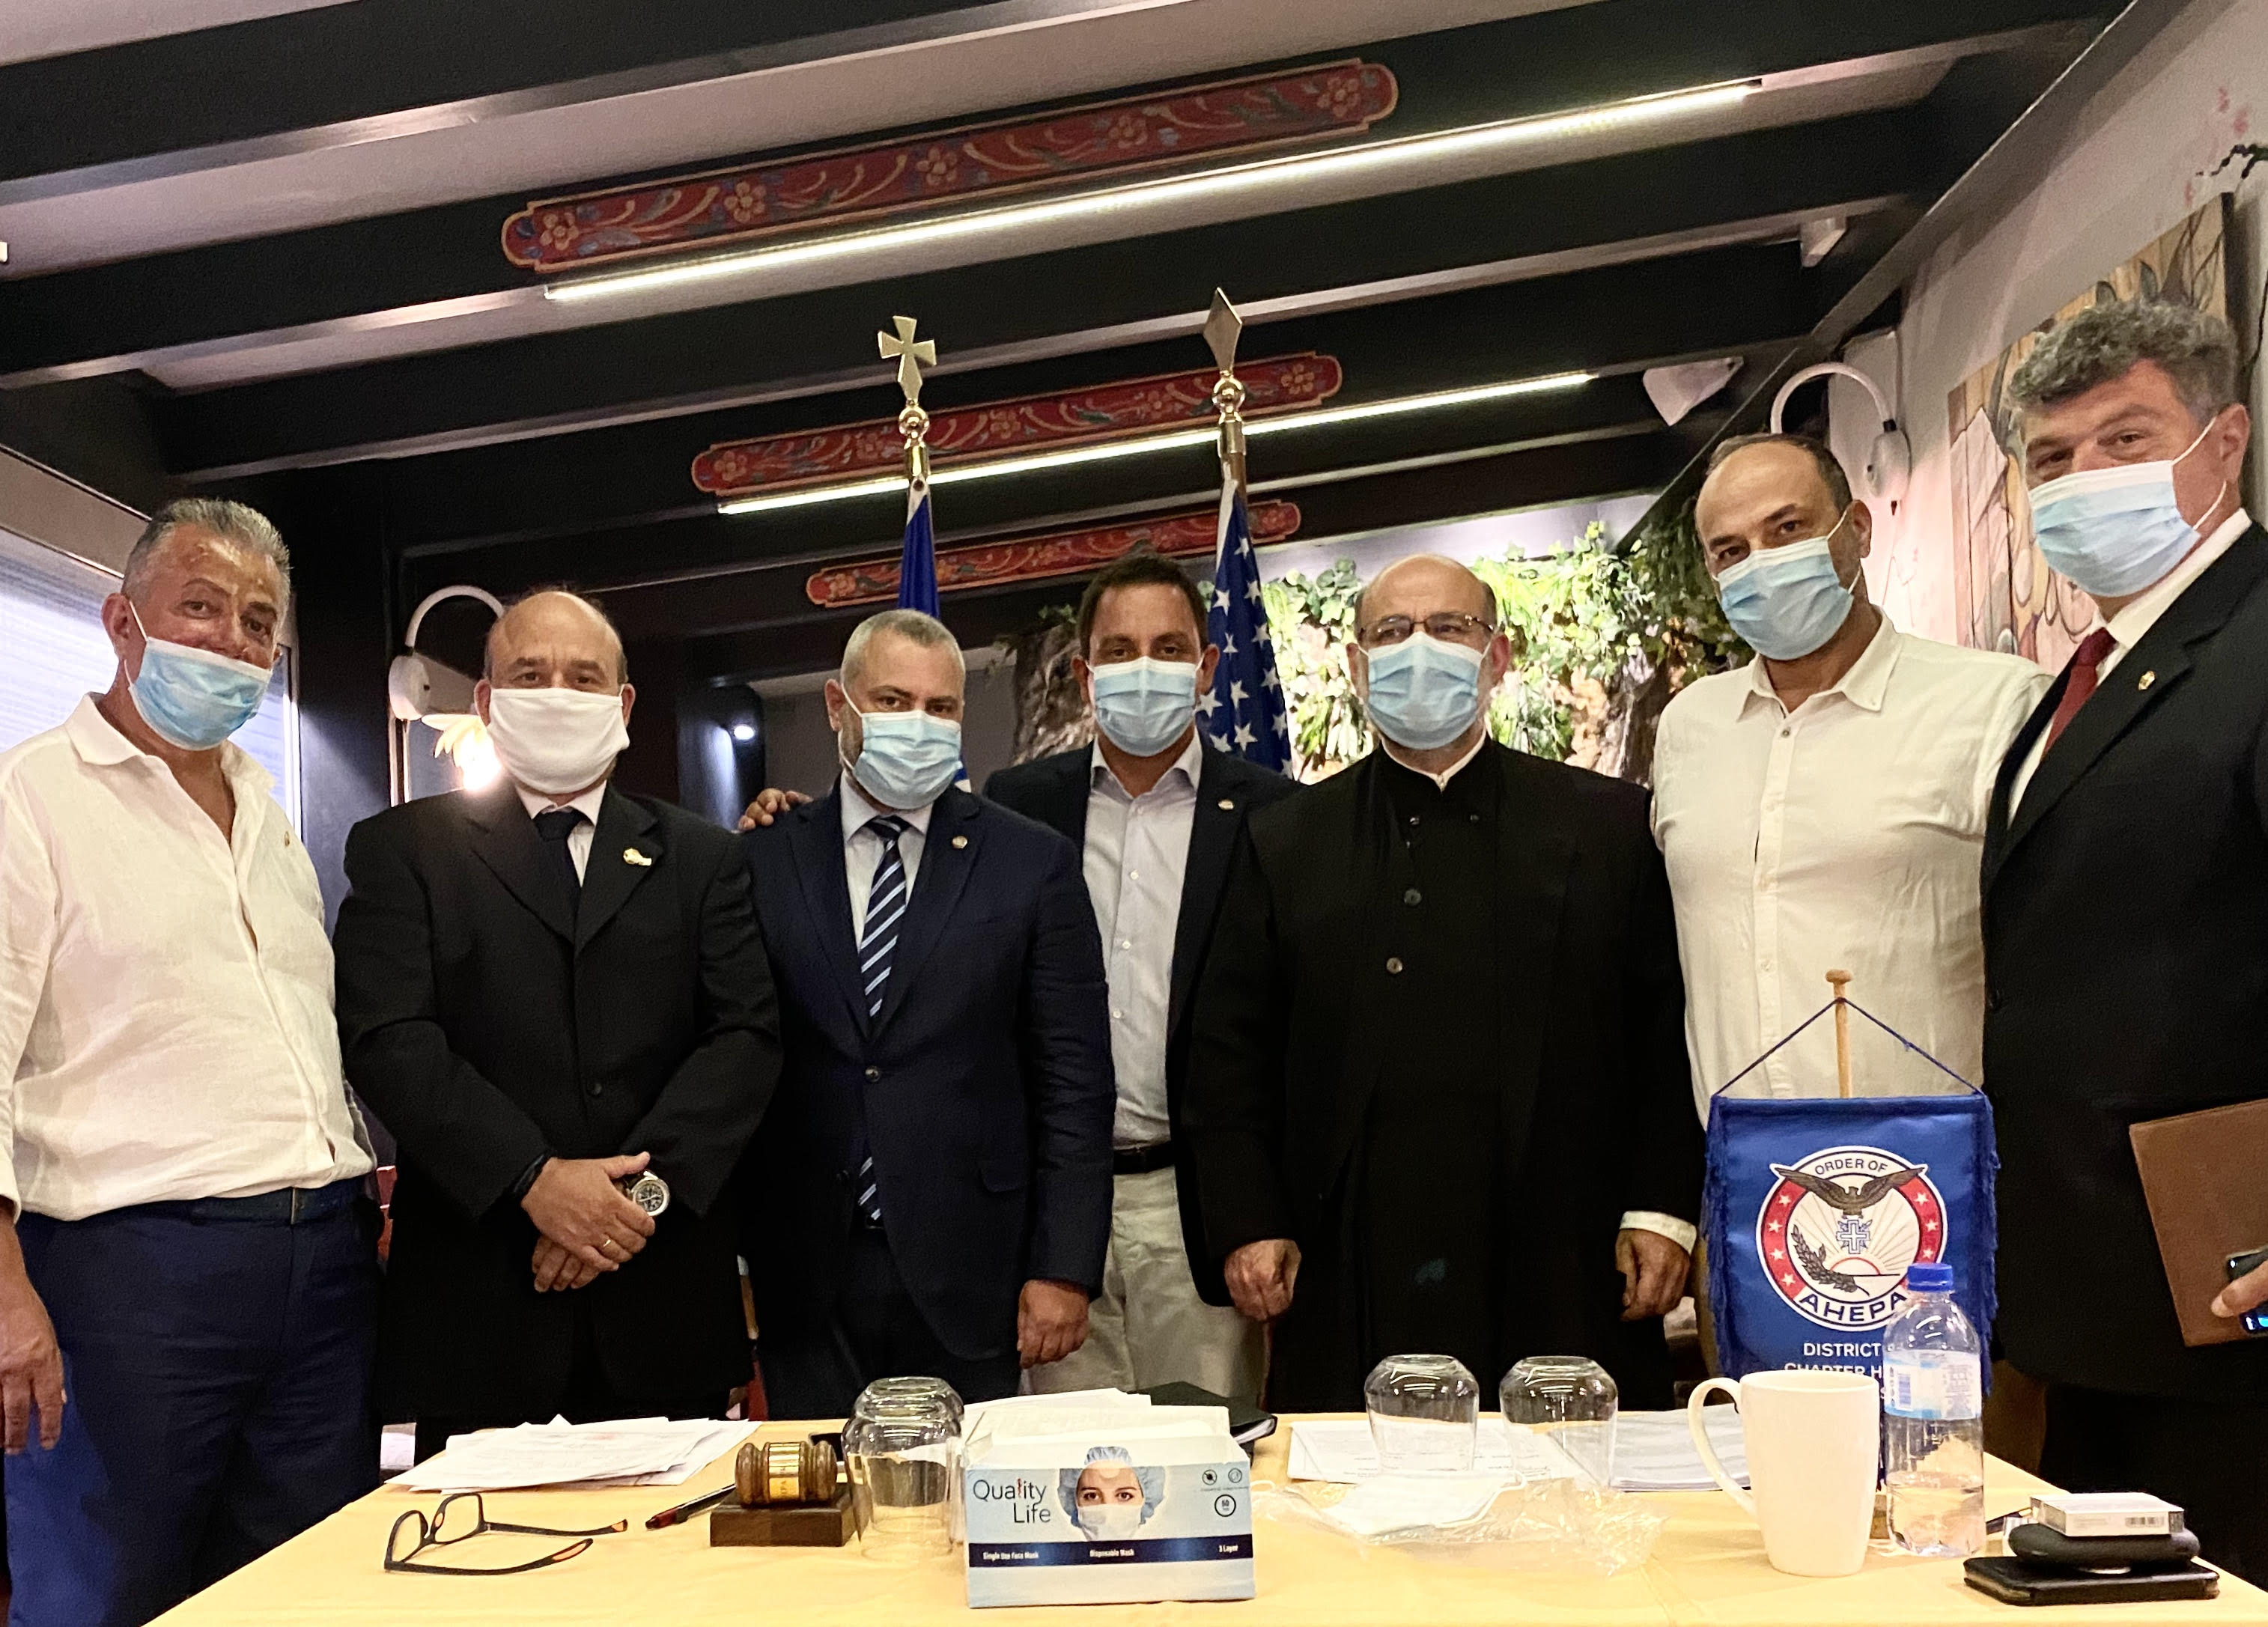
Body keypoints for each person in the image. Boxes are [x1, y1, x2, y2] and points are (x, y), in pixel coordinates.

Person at [1182, 554, 1702, 1411]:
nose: (1418, 648)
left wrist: (1659, 1208)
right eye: (1391, 631)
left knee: (1570, 1471)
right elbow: (1227, 1052)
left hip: (1562, 1244)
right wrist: (1249, 1220)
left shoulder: (1605, 825)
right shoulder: (1284, 841)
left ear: (1496, 657)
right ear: (1357, 668)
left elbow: (1664, 1032)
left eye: (1448, 627)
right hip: (1353, 1249)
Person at [0, 500, 377, 1627]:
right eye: (200, 606)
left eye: (258, 621)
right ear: (122, 621)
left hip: (321, 1260)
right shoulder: (31, 799)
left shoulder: (267, 810)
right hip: (132, 1273)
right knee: (112, 1593)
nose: (231, 640)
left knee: (307, 1592)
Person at [334, 589, 779, 1461]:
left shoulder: (703, 857)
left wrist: (628, 1205)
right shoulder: (404, 849)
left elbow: (744, 1038)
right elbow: (389, 1037)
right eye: (530, 674)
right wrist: (531, 1180)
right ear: (486, 700)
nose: (558, 693)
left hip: (660, 1303)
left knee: (679, 1547)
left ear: (623, 703)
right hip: (480, 1312)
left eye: (584, 677)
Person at [1980, 299, 2266, 1579]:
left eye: (2124, 439)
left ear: (2223, 442)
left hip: (2230, 1290)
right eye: (2051, 457)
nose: (2083, 477)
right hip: (2100, 1294)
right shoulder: (2085, 674)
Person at [737, 608, 1113, 1415]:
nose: (918, 723)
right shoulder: (760, 857)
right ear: (837, 706)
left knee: (963, 1492)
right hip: (805, 1269)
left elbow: (1074, 1080)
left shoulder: (1030, 861)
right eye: (892, 700)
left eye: (940, 707)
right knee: (818, 1489)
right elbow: (733, 1054)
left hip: (973, 1265)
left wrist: (1064, 1266)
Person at [1653, 435, 2046, 1110]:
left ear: (1857, 529)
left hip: (1931, 1157)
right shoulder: (1689, 727)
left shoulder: (1994, 704)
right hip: (1744, 1160)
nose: (1761, 563)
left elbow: (2056, 945)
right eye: (1730, 550)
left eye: (1787, 528)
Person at [985, 553, 1298, 1402]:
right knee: (1067, 1462)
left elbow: (1290, 1030)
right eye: (1119, 651)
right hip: (1056, 1205)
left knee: (1212, 1457)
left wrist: (1261, 1212)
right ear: (1085, 674)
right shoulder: (1015, 806)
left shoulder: (1274, 814)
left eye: (1168, 648)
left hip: (1200, 1207)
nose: (1144, 668)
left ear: (1206, 666)